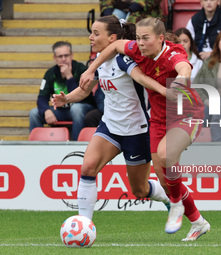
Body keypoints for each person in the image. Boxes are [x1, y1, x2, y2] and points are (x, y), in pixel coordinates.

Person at [80, 17, 210, 242]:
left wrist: (180, 81)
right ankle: (198, 222)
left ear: (160, 39)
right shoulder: (135, 50)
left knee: (166, 156)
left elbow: (184, 67)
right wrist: (91, 69)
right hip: (159, 120)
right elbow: (114, 45)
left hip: (187, 116)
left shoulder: (172, 55)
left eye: (145, 39)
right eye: (138, 38)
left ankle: (177, 206)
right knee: (164, 179)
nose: (139, 43)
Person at [52, 16, 171, 220]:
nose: (91, 37)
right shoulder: (98, 60)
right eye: (91, 32)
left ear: (112, 38)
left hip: (136, 131)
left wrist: (163, 90)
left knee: (140, 190)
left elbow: (143, 79)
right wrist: (66, 99)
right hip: (110, 127)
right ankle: (84, 225)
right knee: (88, 167)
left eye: (96, 33)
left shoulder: (124, 60)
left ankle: (168, 199)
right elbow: (85, 90)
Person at [29, 41, 98, 141]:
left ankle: (76, 145)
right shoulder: (50, 73)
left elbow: (81, 97)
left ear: (72, 55)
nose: (64, 59)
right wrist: (46, 110)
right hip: (62, 110)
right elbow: (42, 97)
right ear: (55, 58)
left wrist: (69, 76)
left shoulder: (81, 69)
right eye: (60, 56)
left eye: (66, 55)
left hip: (84, 107)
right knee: (34, 113)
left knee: (76, 109)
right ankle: (36, 146)